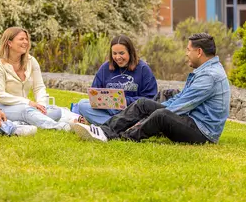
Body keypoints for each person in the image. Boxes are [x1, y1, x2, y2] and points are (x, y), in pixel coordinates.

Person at [72, 33, 231, 144]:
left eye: (188, 50)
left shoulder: (209, 76)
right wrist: (148, 108)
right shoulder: (206, 71)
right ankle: (104, 131)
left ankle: (122, 136)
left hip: (203, 132)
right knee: (143, 103)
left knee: (160, 115)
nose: (186, 53)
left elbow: (182, 106)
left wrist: (150, 115)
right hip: (193, 121)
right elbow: (182, 98)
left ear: (199, 52)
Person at [0, 27, 71, 131]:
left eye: (26, 39)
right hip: (0, 107)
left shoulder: (31, 61)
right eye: (21, 39)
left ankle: (20, 123)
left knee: (55, 111)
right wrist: (27, 102)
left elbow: (39, 87)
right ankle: (60, 126)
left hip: (25, 107)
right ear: (9, 43)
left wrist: (41, 105)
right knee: (26, 110)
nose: (26, 42)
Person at [74, 35, 158, 125]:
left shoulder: (143, 69)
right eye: (114, 53)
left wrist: (125, 101)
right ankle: (119, 126)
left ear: (130, 52)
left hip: (132, 111)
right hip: (108, 109)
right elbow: (94, 93)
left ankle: (109, 124)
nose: (118, 57)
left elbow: (151, 98)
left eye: (121, 53)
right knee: (82, 104)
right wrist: (104, 100)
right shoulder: (105, 68)